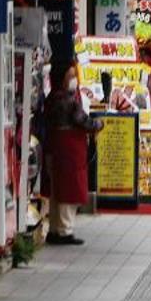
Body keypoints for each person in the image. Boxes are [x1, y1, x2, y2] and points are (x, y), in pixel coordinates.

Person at [39, 62, 101, 246]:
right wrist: (99, 124)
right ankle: (65, 230)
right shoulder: (68, 101)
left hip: (52, 147)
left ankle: (54, 229)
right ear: (62, 79)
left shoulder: (50, 98)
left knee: (56, 190)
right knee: (69, 189)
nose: (74, 79)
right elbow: (83, 121)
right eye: (71, 76)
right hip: (69, 150)